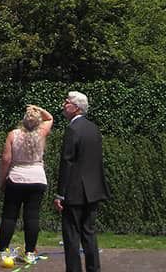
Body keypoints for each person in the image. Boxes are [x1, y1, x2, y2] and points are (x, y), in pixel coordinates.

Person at [53, 91, 109, 272]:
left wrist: (60, 193)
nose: (64, 105)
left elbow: (67, 162)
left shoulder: (72, 129)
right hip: (93, 189)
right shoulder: (94, 128)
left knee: (71, 235)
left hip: (75, 190)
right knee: (89, 233)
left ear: (76, 108)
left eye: (67, 102)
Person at [0, 104, 54, 261]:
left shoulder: (13, 135)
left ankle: (2, 250)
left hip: (17, 177)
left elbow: (6, 159)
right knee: (32, 216)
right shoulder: (41, 133)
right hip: (37, 178)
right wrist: (38, 108)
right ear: (38, 122)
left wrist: (1, 181)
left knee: (9, 216)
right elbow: (50, 118)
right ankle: (30, 252)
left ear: (23, 120)